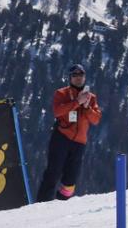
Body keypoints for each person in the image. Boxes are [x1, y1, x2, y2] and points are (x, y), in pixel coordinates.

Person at [36, 63, 102, 202]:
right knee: (53, 172)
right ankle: (42, 203)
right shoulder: (62, 93)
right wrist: (77, 102)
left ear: (85, 77)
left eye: (81, 75)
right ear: (70, 78)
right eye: (75, 75)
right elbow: (57, 111)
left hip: (79, 142)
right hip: (62, 137)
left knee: (70, 179)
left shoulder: (91, 98)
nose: (78, 78)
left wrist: (86, 107)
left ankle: (61, 203)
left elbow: (96, 119)